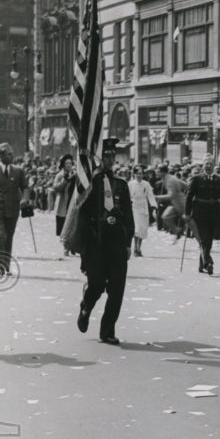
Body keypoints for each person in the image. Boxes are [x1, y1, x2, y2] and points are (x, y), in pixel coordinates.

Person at [76, 138, 135, 344]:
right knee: (97, 284)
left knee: (117, 289)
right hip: (96, 242)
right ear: (99, 159)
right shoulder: (90, 184)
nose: (110, 160)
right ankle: (86, 306)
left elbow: (128, 215)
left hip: (117, 242)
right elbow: (82, 218)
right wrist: (83, 250)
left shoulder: (121, 185)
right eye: (106, 156)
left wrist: (129, 242)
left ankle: (107, 330)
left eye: (112, 156)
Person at [0, 142, 30, 277]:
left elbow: (25, 187)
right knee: (0, 234)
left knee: (8, 237)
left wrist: (25, 199)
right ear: (1, 156)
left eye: (12, 153)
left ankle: (5, 265)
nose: (12, 155)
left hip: (13, 208)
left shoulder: (19, 171)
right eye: (9, 153)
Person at [184, 157, 220, 274]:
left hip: (215, 213)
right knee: (203, 238)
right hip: (200, 213)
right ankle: (208, 262)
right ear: (203, 166)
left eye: (210, 163)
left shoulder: (219, 180)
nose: (208, 166)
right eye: (206, 164)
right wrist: (187, 213)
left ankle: (201, 265)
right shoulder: (196, 179)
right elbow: (189, 196)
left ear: (214, 165)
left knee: (209, 238)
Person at [127, 165, 157, 257]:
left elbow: (150, 195)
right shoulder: (131, 184)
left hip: (143, 207)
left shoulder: (146, 184)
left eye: (141, 173)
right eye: (137, 173)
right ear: (134, 174)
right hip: (134, 207)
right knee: (137, 228)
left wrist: (154, 206)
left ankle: (139, 248)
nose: (139, 175)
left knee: (143, 229)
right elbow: (127, 196)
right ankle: (135, 248)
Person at [154, 164, 187, 242]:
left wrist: (157, 197)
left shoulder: (169, 180)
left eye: (158, 171)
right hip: (176, 203)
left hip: (180, 203)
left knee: (190, 223)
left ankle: (201, 242)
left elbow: (171, 195)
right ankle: (177, 231)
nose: (156, 173)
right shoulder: (171, 177)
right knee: (165, 216)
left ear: (163, 172)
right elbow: (186, 185)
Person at [52, 154, 77, 257]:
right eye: (66, 163)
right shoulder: (60, 175)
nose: (69, 165)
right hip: (63, 203)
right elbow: (56, 188)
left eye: (70, 163)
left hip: (73, 202)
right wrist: (65, 180)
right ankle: (66, 246)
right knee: (63, 226)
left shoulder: (75, 174)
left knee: (73, 224)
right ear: (63, 165)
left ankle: (72, 246)